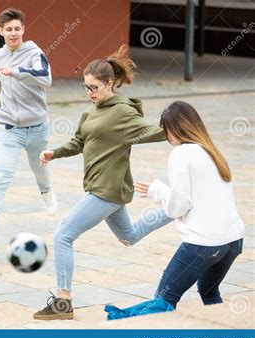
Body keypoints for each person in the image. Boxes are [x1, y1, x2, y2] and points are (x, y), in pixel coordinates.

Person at [33, 45, 172, 320]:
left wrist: (182, 126)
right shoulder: (90, 112)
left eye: (94, 87)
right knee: (129, 237)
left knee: (63, 235)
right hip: (108, 189)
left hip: (106, 191)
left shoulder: (122, 112)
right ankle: (175, 209)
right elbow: (79, 142)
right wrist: (55, 153)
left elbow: (152, 132)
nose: (90, 93)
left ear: (110, 84)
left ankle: (63, 302)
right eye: (86, 87)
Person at [133, 101, 244, 308]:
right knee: (209, 293)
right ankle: (224, 337)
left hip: (204, 243)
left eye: (167, 131)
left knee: (162, 300)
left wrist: (156, 191)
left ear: (174, 129)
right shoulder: (211, 150)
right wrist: (162, 190)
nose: (168, 138)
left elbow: (179, 206)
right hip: (232, 241)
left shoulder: (181, 153)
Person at [0, 8, 57, 255]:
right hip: (9, 129)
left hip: (37, 127)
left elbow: (46, 78)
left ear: (23, 30)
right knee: (0, 180)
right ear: (1, 31)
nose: (13, 33)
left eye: (17, 29)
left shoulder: (34, 53)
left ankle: (47, 191)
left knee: (39, 169)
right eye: (8, 29)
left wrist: (17, 72)